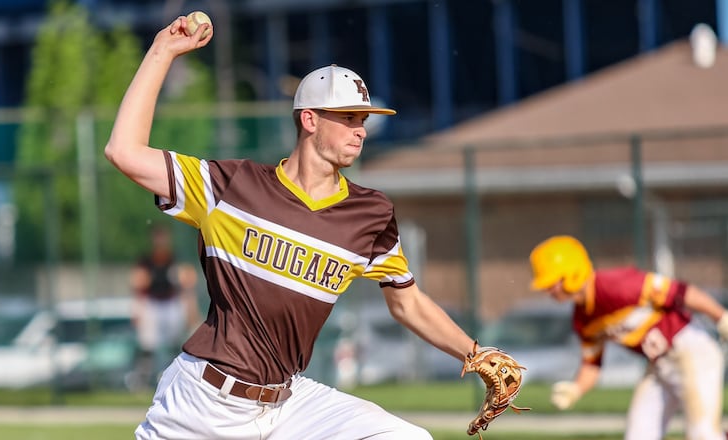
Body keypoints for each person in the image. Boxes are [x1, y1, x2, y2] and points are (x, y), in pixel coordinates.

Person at [104, 14, 490, 440]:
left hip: (288, 404)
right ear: (309, 120)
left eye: (363, 120)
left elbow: (408, 304)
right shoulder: (231, 186)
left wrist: (476, 354)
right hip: (202, 405)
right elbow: (124, 151)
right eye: (348, 118)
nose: (360, 131)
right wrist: (162, 52)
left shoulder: (371, 213)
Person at [528, 234, 728, 440]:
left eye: (552, 282)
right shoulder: (582, 318)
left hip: (691, 351)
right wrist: (576, 389)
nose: (548, 290)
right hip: (660, 365)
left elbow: (682, 292)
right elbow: (592, 363)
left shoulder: (616, 286)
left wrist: (721, 317)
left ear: (572, 274)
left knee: (703, 435)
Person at [128, 224, 200, 391]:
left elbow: (187, 284)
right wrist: (136, 310)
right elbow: (138, 284)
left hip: (170, 302)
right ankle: (144, 379)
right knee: (148, 343)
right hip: (152, 303)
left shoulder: (173, 259)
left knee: (174, 342)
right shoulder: (146, 261)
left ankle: (174, 376)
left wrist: (191, 310)